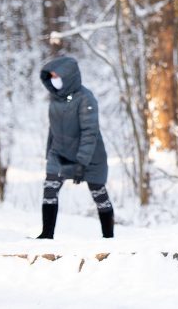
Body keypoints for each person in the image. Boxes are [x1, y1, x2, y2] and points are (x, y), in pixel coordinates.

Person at [36, 56, 114, 239]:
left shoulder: (86, 99)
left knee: (98, 193)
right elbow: (53, 128)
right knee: (50, 188)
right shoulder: (55, 99)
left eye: (57, 76)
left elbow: (90, 132)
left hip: (90, 155)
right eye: (51, 76)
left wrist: (81, 162)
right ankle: (46, 235)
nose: (54, 80)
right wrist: (49, 153)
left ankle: (108, 237)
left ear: (68, 76)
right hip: (60, 152)